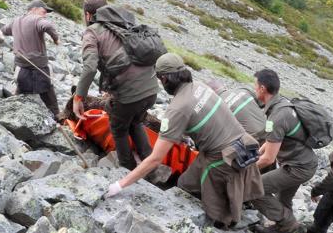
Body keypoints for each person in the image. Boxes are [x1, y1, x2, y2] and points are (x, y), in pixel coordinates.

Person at [104, 53, 264, 230]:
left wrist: (120, 184)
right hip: (243, 144)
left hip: (222, 158)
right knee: (185, 182)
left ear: (164, 79)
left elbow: (155, 159)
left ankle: (215, 222)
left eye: (159, 78)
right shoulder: (200, 86)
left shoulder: (178, 108)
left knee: (195, 194)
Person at [73, 0, 158, 170]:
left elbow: (89, 68)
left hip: (131, 95)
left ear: (88, 15)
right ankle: (152, 167)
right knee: (134, 121)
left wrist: (78, 97)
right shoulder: (124, 24)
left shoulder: (92, 31)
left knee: (118, 127)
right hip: (151, 88)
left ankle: (128, 171)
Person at [251, 69, 317, 233]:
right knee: (284, 198)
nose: (254, 89)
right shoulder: (282, 104)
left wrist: (247, 171)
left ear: (262, 88)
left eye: (255, 85)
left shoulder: (278, 116)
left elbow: (268, 159)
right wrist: (256, 154)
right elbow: (271, 140)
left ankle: (288, 225)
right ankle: (283, 228)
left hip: (298, 168)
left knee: (254, 188)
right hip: (305, 164)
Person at [1, 0, 59, 117]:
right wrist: (56, 39)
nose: (45, 14)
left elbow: (3, 31)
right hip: (39, 66)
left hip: (21, 66)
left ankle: (14, 116)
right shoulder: (37, 19)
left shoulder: (16, 21)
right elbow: (48, 25)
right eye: (44, 11)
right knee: (48, 93)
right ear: (34, 9)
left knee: (21, 91)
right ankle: (57, 116)